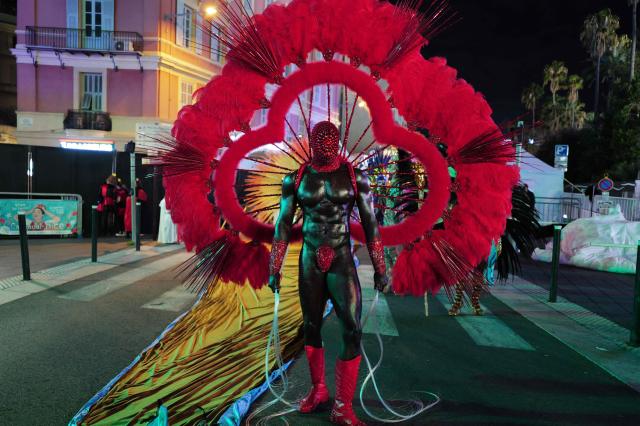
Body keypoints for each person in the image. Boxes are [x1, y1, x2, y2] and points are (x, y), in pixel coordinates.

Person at [268, 121, 387, 426]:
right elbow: (282, 225)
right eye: (318, 143)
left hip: (342, 258)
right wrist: (274, 267)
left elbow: (371, 223)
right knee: (310, 326)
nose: (323, 148)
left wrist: (380, 267)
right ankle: (318, 390)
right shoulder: (294, 180)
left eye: (328, 143)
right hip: (309, 258)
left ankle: (343, 405)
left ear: (335, 144)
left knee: (352, 328)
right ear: (310, 144)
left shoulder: (355, 177)